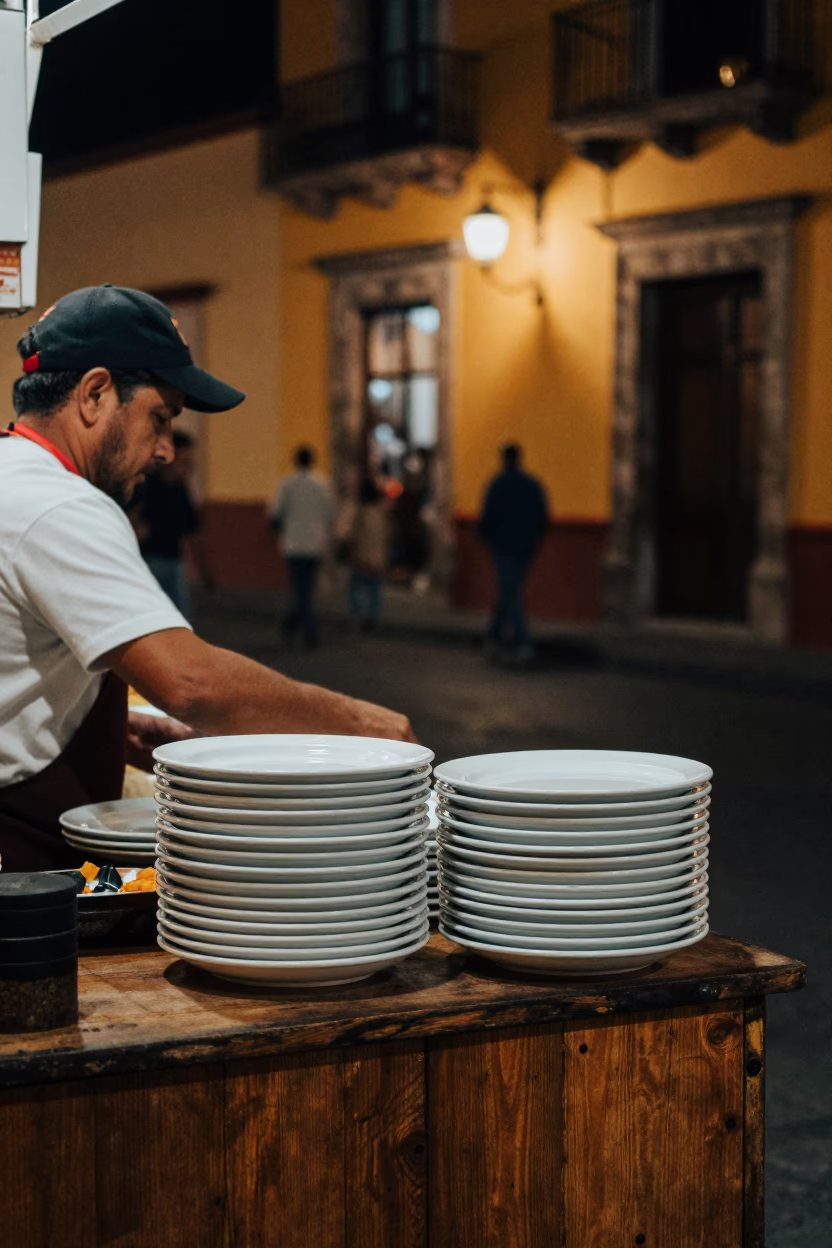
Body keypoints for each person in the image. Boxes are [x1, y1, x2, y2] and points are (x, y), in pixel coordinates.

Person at [0, 285, 415, 873]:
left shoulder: (12, 475)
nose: (167, 450)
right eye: (160, 418)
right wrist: (364, 725)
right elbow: (192, 684)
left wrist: (107, 729)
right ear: (94, 394)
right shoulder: (59, 503)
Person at [477, 443, 548, 662]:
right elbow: (543, 516)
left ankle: (522, 642)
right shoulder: (532, 484)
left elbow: (487, 515)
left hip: (503, 546)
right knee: (509, 590)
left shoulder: (498, 484)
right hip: (525, 547)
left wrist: (484, 537)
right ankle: (493, 637)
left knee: (510, 592)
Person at [129, 429, 208, 618]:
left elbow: (192, 529)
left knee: (178, 618)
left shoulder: (180, 491)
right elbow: (132, 517)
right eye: (184, 461)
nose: (189, 466)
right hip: (149, 561)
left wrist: (205, 569)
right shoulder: (147, 485)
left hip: (174, 561)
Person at [266, 445, 333, 647]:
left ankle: (298, 627)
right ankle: (301, 627)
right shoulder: (323, 484)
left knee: (300, 589)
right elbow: (331, 513)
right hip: (316, 543)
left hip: (294, 544)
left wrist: (278, 533)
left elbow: (275, 513)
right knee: (306, 589)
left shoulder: (287, 484)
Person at [347, 479, 390, 632]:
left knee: (356, 589)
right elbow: (387, 536)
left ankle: (361, 614)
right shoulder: (382, 513)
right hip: (378, 558)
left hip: (362, 558)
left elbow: (352, 535)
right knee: (374, 590)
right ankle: (371, 616)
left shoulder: (361, 513)